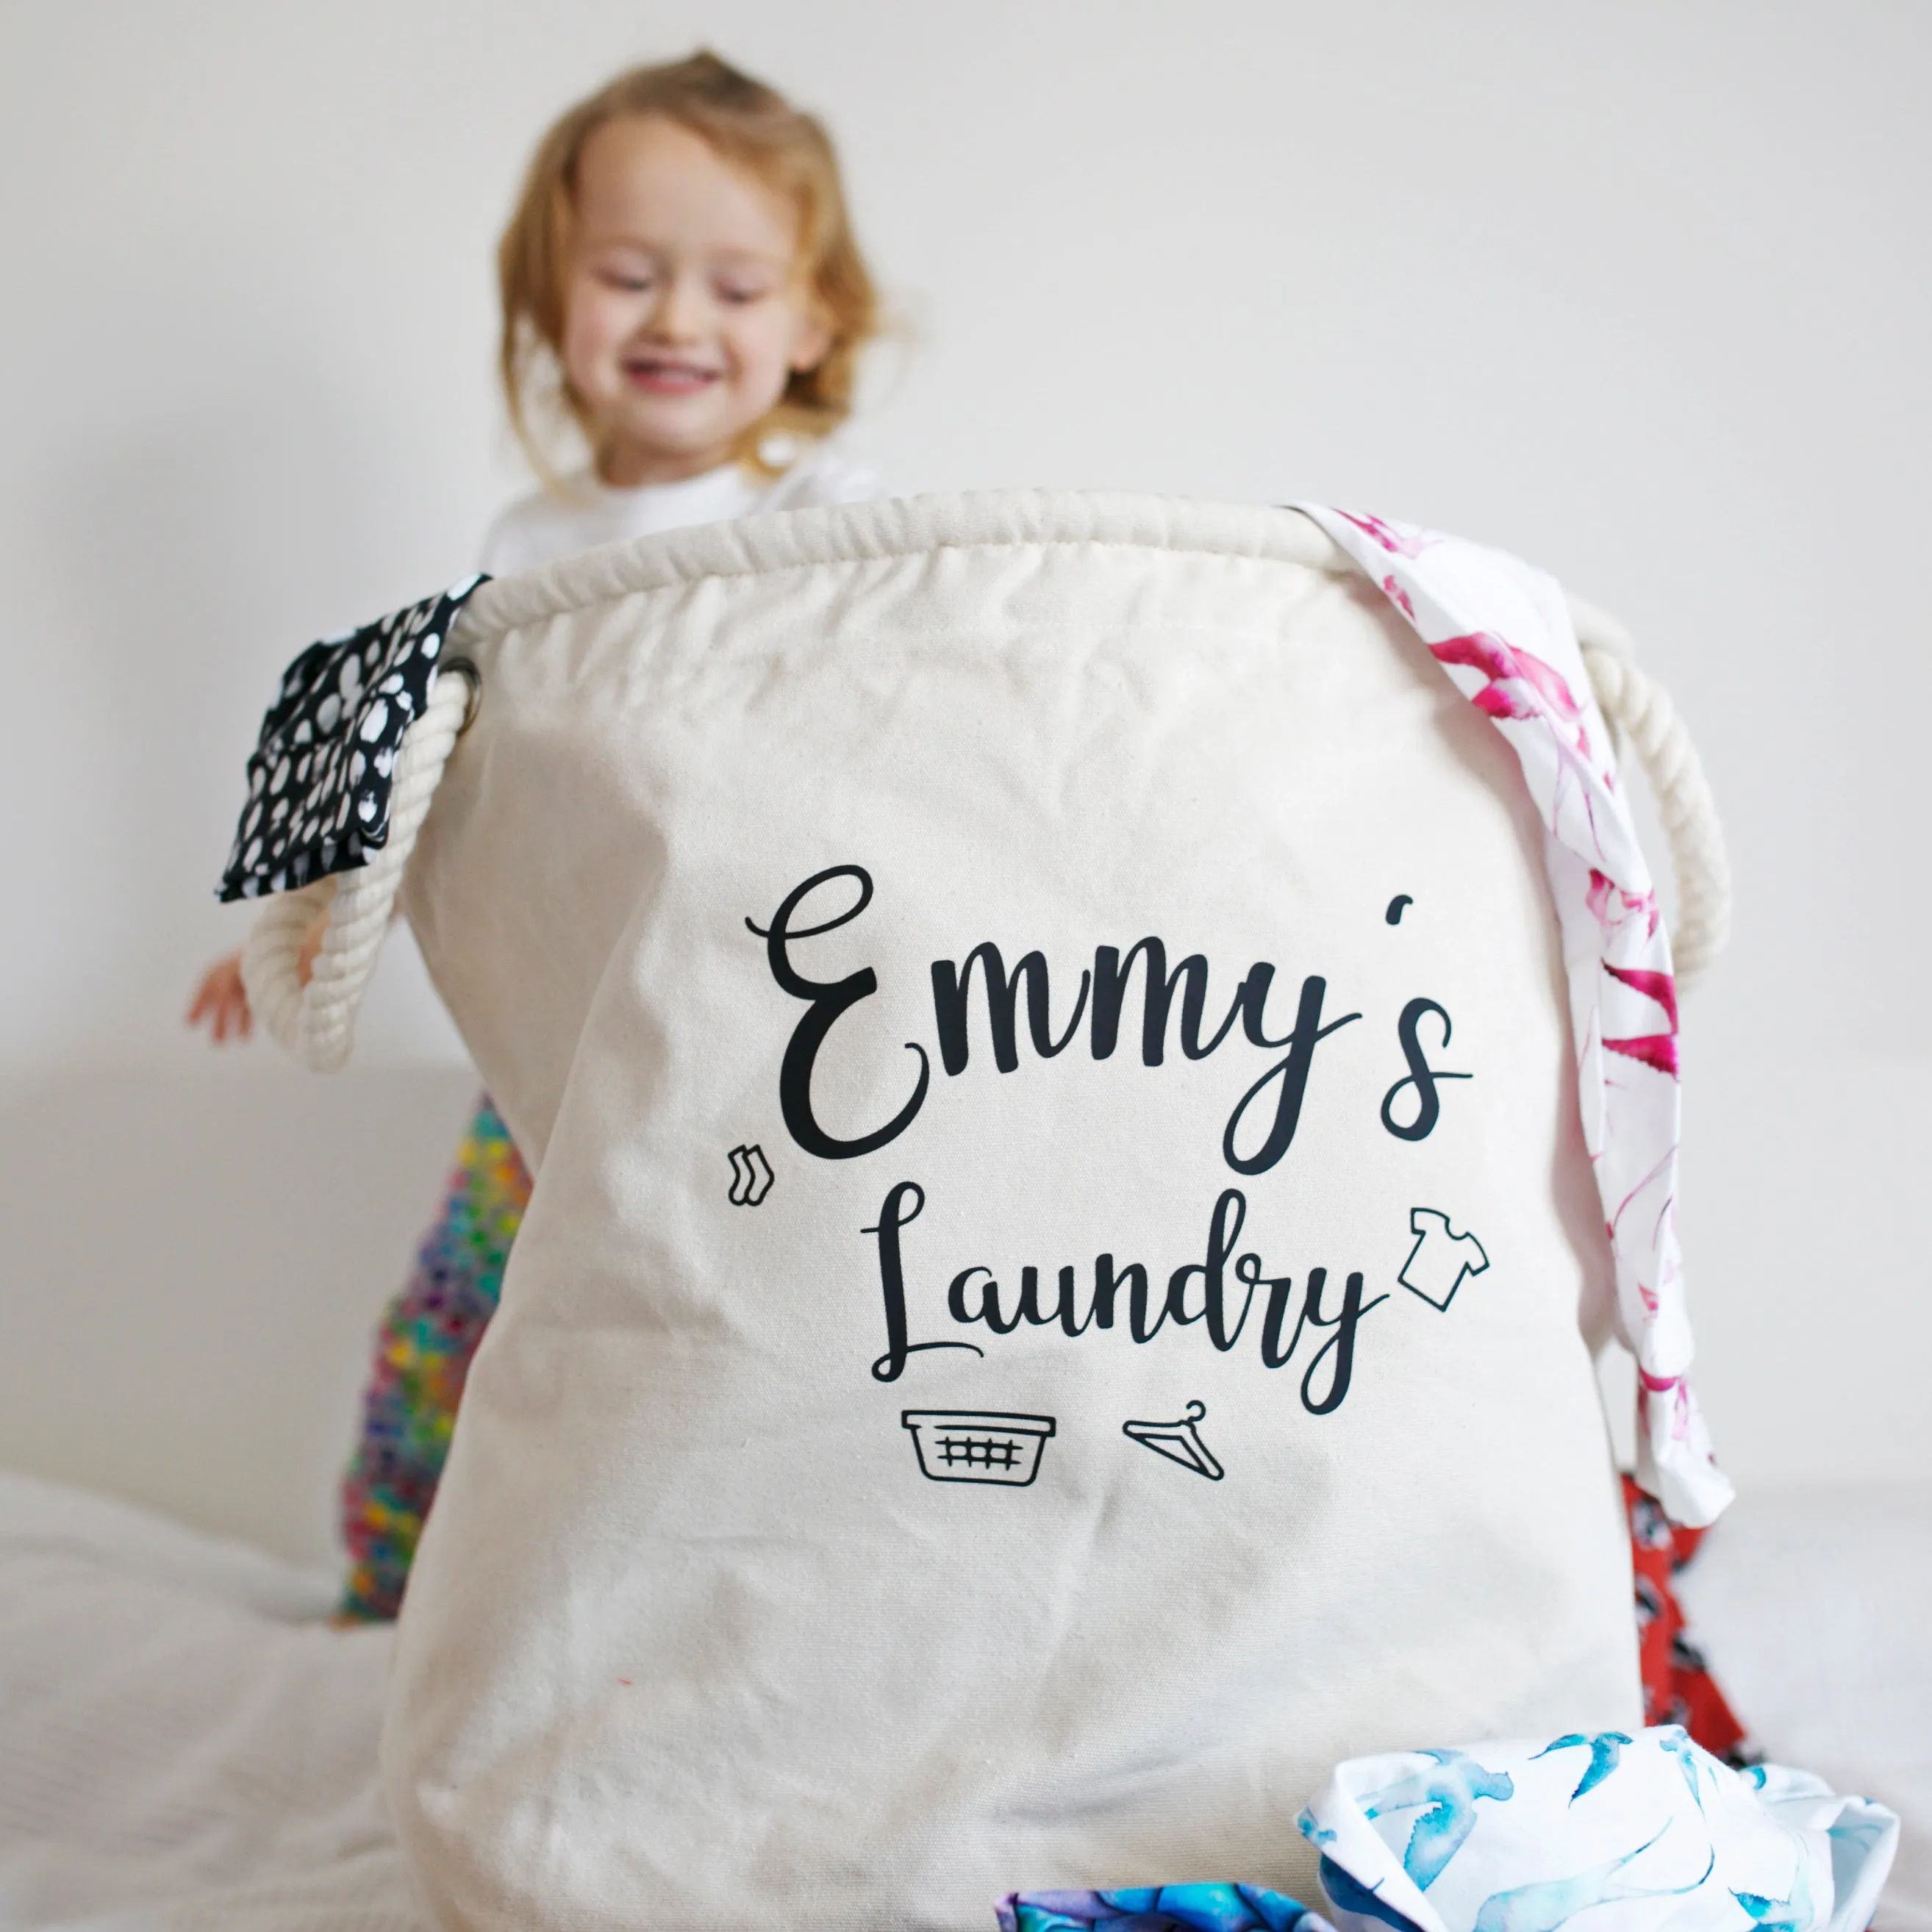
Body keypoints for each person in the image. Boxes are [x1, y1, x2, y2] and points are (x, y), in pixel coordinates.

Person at [186, 49, 886, 1618]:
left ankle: (722, 1597)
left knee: (743, 1323)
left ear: (815, 322)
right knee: (469, 1306)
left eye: (734, 285)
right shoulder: (534, 546)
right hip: (562, 1034)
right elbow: (439, 759)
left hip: (762, 1027)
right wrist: (300, 912)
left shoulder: (824, 514)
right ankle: (395, 1586)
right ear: (551, 297)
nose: (676, 322)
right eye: (629, 275)